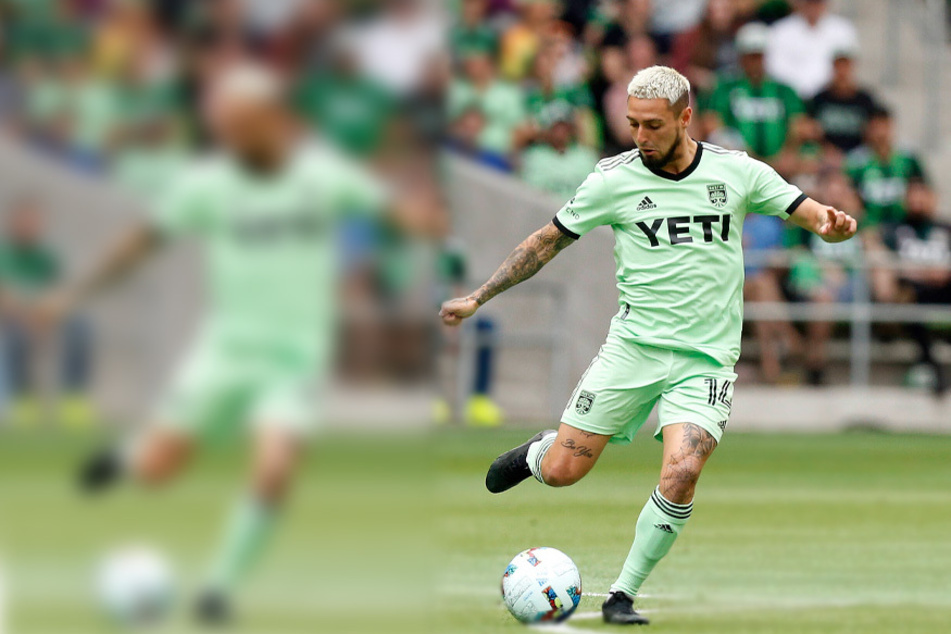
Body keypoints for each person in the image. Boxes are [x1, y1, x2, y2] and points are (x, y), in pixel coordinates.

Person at [439, 65, 857, 625]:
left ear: (686, 117)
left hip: (705, 361)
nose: (640, 137)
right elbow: (545, 242)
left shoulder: (736, 173)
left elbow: (801, 208)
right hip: (632, 351)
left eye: (653, 126)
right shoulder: (613, 179)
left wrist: (826, 225)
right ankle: (540, 452)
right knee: (565, 471)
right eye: (632, 124)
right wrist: (479, 296)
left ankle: (621, 595)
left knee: (682, 471)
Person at [34, 63, 438, 625]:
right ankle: (126, 459)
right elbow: (141, 242)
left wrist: (428, 219)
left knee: (274, 468)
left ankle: (218, 588)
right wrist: (72, 294)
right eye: (223, 125)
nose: (230, 134)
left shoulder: (323, 177)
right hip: (225, 351)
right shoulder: (210, 184)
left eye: (240, 122)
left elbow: (399, 213)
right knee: (158, 469)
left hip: (293, 358)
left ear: (270, 119)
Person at [0, 198, 94, 428]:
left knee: (81, 326)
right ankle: (23, 400)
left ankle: (73, 398)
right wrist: (26, 317)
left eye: (35, 221)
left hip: (42, 316)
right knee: (15, 338)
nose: (30, 226)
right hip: (12, 319)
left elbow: (59, 292)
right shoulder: (4, 254)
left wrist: (48, 315)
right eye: (26, 220)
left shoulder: (47, 257)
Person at [703, 22, 804, 166]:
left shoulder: (784, 90)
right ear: (741, 56)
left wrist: (787, 154)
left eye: (759, 56)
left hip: (782, 165)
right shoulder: (725, 88)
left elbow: (798, 124)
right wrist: (741, 154)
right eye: (751, 56)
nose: (755, 62)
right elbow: (712, 123)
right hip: (737, 164)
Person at [845, 105, 928, 228]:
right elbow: (849, 196)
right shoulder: (856, 163)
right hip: (869, 228)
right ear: (867, 129)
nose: (881, 133)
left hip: (904, 226)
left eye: (884, 127)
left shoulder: (908, 158)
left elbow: (924, 191)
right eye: (875, 128)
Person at [764, 0, 857, 100]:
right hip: (789, 97)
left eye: (818, 2)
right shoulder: (780, 30)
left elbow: (845, 66)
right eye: (810, 2)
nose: (813, 6)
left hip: (829, 98)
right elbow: (774, 67)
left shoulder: (842, 29)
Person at [807, 42, 878, 156]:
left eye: (846, 65)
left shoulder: (865, 100)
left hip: (858, 154)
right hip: (825, 155)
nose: (842, 71)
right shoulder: (820, 99)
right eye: (838, 65)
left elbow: (872, 131)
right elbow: (811, 130)